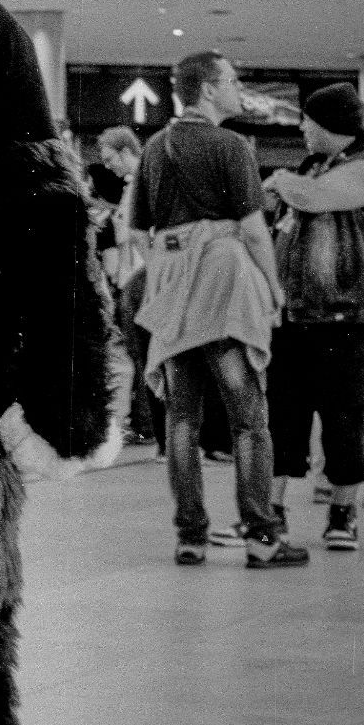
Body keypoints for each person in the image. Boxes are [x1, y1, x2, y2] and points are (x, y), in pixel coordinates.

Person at [131, 52, 304, 568]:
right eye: (231, 81)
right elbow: (252, 229)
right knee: (248, 417)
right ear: (207, 90)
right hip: (226, 288)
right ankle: (261, 536)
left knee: (182, 420)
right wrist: (273, 287)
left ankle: (190, 536)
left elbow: (138, 232)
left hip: (175, 292)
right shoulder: (230, 146)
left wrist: (171, 267)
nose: (238, 90)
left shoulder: (154, 148)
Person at [264, 82, 364, 553]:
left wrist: (278, 181)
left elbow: (315, 199)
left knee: (343, 417)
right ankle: (271, 513)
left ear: (332, 125)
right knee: (283, 417)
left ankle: (344, 513)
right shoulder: (317, 166)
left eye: (308, 120)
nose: (302, 127)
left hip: (350, 315)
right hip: (294, 313)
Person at [95, 126, 155, 445]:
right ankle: (145, 422)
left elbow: (135, 236)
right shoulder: (134, 185)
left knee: (142, 354)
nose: (108, 166)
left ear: (125, 151)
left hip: (141, 280)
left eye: (109, 159)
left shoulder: (144, 182)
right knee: (136, 354)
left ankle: (148, 423)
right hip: (133, 280)